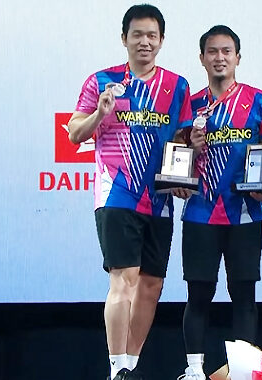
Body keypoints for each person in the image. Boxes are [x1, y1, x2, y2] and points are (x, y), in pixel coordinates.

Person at [68, 4, 192, 379]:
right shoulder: (101, 81)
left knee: (152, 285)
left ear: (161, 41)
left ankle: (130, 366)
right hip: (116, 194)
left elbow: (183, 140)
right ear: (124, 38)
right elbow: (75, 133)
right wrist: (101, 112)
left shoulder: (177, 85)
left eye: (152, 35)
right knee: (124, 279)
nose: (144, 42)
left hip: (160, 200)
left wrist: (190, 161)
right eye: (137, 34)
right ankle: (115, 365)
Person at [178, 25, 262, 380]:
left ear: (237, 58)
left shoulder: (260, 101)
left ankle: (245, 370)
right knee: (198, 295)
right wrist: (192, 147)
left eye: (226, 51)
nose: (220, 58)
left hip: (245, 214)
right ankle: (194, 370)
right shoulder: (190, 104)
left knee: (244, 295)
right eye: (213, 52)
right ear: (202, 58)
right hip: (200, 212)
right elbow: (175, 161)